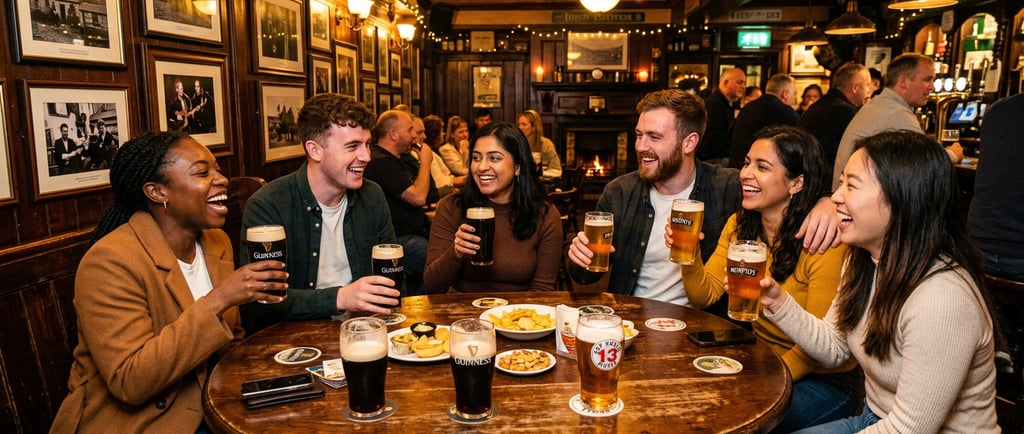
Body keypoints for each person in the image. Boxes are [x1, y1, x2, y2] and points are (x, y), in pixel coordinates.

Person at [758, 131, 1000, 433]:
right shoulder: (863, 260)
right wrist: (779, 303)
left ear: (901, 198)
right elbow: (835, 347)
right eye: (841, 181)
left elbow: (909, 429)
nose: (835, 196)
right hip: (874, 419)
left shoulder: (942, 298)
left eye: (852, 185)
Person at [50, 131, 287, 432]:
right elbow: (131, 381)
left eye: (217, 169)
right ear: (157, 192)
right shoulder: (110, 261)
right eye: (202, 172)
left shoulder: (217, 242)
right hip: (143, 421)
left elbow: (230, 338)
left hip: (214, 402)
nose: (222, 179)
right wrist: (220, 298)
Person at [567, 89, 839, 308]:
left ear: (689, 142)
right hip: (633, 321)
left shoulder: (730, 186)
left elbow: (790, 185)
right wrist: (579, 258)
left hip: (702, 328)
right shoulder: (619, 192)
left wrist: (825, 202)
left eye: (654, 137)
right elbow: (585, 275)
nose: (640, 146)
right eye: (639, 135)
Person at [668, 126, 861, 432]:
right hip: (763, 357)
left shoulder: (822, 240)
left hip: (825, 378)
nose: (745, 173)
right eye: (746, 163)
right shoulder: (740, 225)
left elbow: (819, 347)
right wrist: (689, 252)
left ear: (796, 183)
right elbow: (703, 296)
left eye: (762, 167)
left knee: (737, 417)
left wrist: (764, 379)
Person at [240, 94, 399, 335]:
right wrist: (339, 297)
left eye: (367, 144)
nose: (366, 156)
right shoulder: (268, 205)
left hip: (365, 331)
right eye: (352, 146)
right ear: (315, 150)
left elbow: (392, 283)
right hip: (293, 337)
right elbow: (260, 303)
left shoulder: (372, 195)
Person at [424, 122, 563, 293]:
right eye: (476, 158)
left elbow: (542, 290)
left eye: (494, 158)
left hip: (518, 312)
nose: (482, 167)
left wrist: (510, 317)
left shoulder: (545, 214)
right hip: (461, 311)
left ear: (518, 167)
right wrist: (456, 252)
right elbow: (432, 285)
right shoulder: (451, 206)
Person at [832, 53, 961, 189]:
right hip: (854, 201)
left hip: (847, 196)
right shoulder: (896, 111)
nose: (932, 87)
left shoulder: (880, 103)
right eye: (927, 79)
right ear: (903, 82)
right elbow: (927, 161)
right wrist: (953, 154)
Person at [364, 109, 433, 292]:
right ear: (393, 134)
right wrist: (426, 160)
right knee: (440, 265)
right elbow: (418, 197)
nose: (414, 136)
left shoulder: (395, 159)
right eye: (410, 130)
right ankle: (420, 310)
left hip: (412, 232)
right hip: (397, 239)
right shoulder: (381, 161)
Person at [798, 63, 872, 167]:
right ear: (855, 87)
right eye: (868, 86)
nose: (869, 91)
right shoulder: (847, 112)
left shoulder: (816, 107)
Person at [729, 73, 799, 169]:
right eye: (794, 93)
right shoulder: (787, 113)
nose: (795, 98)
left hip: (736, 168)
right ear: (785, 94)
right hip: (759, 173)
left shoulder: (747, 108)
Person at [699, 68, 746, 166]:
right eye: (739, 82)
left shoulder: (732, 105)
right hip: (712, 161)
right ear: (725, 83)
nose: (743, 87)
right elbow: (711, 142)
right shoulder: (713, 105)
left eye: (744, 83)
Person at [517, 109, 562, 178]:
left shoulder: (546, 144)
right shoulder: (516, 142)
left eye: (524, 125)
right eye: (519, 124)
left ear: (534, 127)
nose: (520, 127)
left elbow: (557, 170)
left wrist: (540, 172)